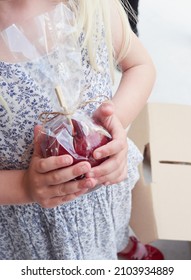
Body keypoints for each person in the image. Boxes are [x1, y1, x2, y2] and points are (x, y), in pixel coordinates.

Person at [0, 0, 163, 260]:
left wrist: (112, 129)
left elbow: (140, 66)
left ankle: (121, 245)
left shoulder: (91, 5)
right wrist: (25, 187)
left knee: (112, 228)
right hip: (32, 225)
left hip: (105, 191)